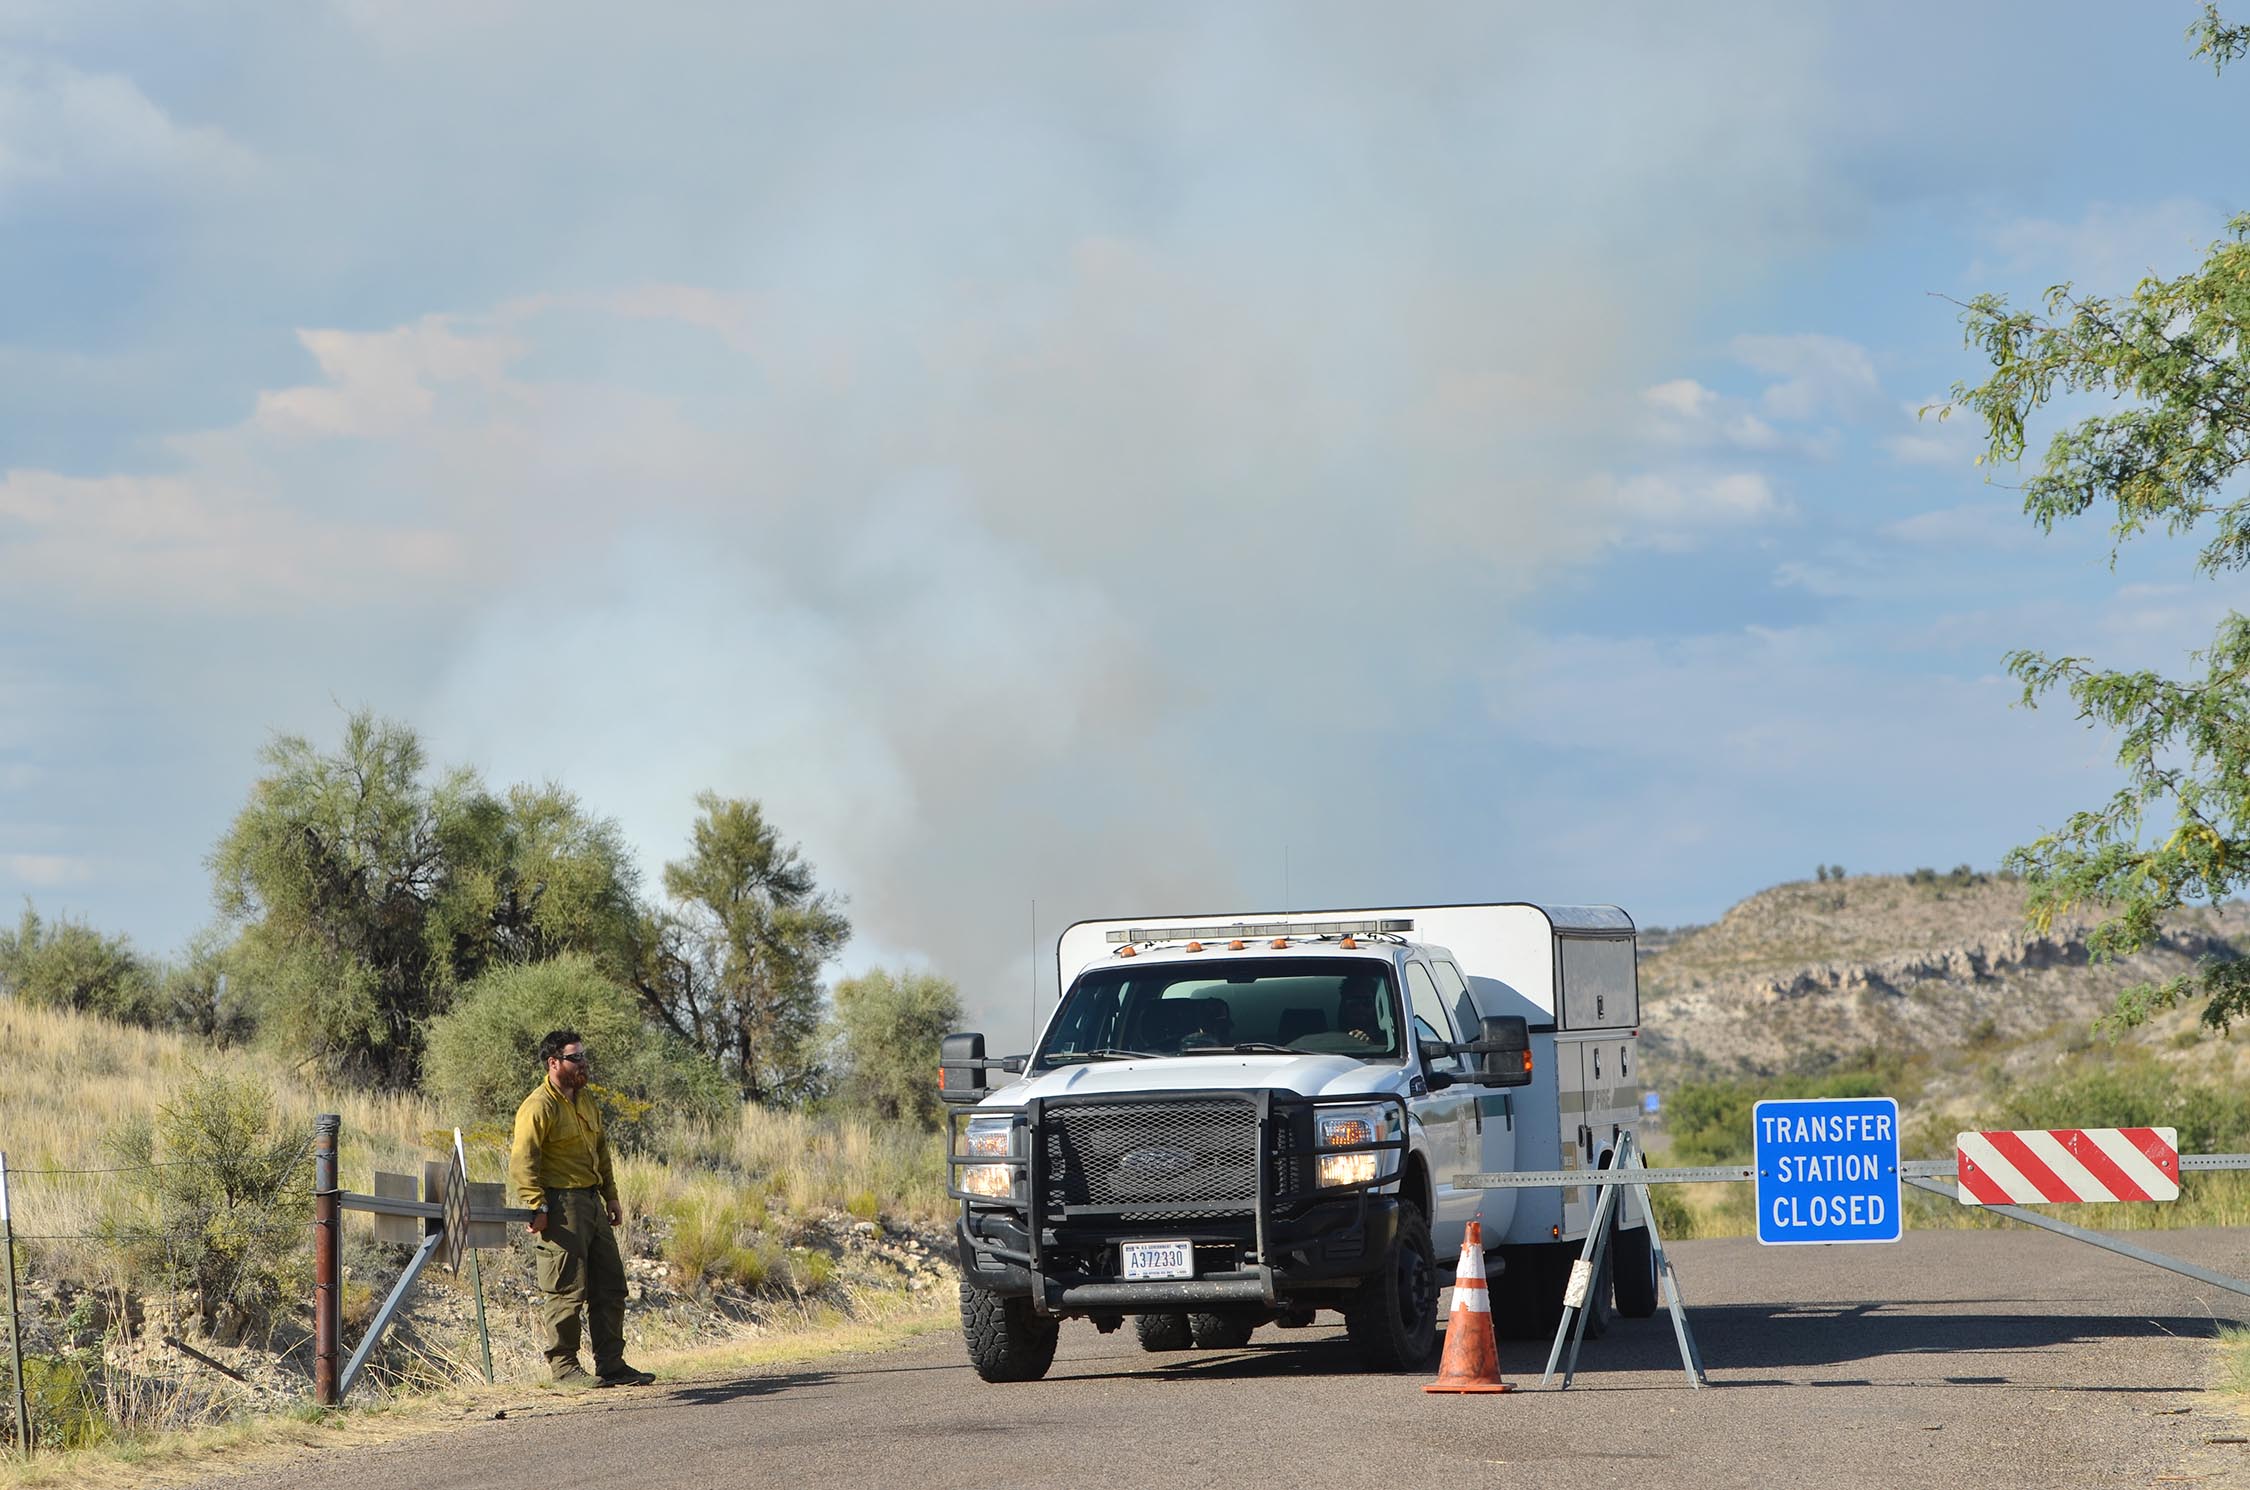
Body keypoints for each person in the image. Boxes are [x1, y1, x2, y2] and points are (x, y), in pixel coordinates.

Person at [509, 1029, 653, 1388]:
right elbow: (523, 1161)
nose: (583, 1063)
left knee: (610, 1285)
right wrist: (536, 1205)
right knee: (565, 1288)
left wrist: (612, 1195)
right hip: (560, 1205)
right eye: (575, 1057)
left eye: (583, 1056)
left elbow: (601, 1150)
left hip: (592, 1200)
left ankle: (611, 1364)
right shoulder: (538, 1106)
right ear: (553, 1062)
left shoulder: (586, 1099)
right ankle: (564, 1368)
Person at [1337, 972, 1386, 1046]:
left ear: (1377, 1007)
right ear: (1343, 1006)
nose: (1360, 1008)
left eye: (1367, 1003)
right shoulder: (1327, 1041)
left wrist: (1371, 1047)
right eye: (1354, 1003)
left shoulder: (1393, 1042)